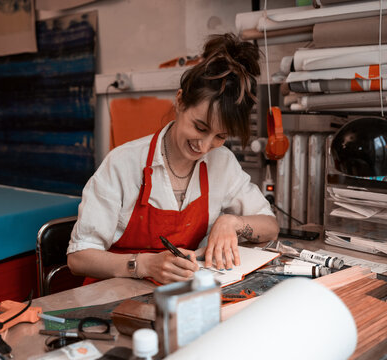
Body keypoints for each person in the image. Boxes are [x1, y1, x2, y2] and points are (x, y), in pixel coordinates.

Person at [67, 33, 279, 285]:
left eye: (220, 136)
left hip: (180, 296)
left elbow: (270, 226)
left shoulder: (222, 162)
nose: (204, 145)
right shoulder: (123, 163)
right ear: (180, 102)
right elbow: (78, 258)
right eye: (200, 127)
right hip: (111, 299)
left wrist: (232, 222)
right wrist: (143, 264)